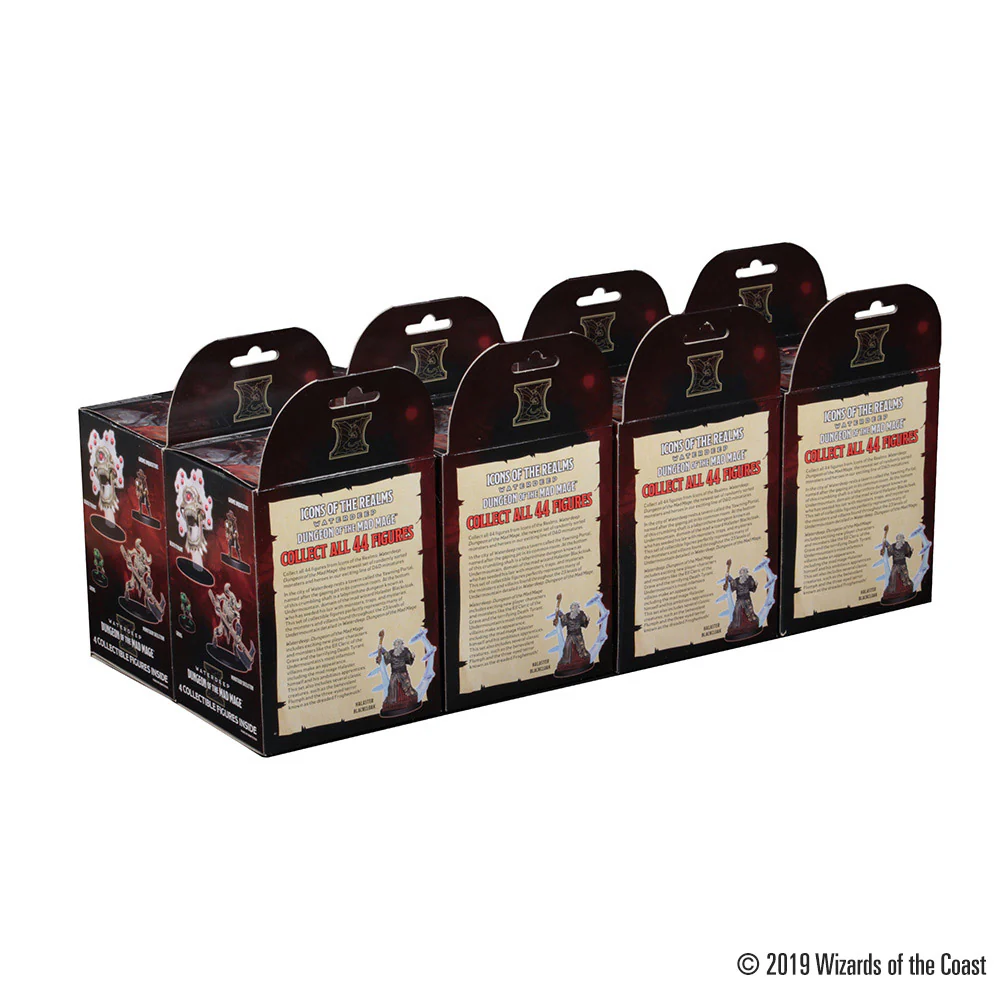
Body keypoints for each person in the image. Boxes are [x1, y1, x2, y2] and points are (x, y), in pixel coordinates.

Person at [377, 632, 419, 715]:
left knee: (407, 687)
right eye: (395, 645)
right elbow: (387, 656)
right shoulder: (391, 653)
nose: (396, 646)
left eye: (398, 645)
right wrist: (381, 649)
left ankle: (408, 699)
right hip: (394, 673)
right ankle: (392, 702)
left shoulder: (405, 651)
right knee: (392, 686)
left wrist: (412, 657)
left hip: (403, 673)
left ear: (401, 645)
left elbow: (409, 660)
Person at [554, 595, 591, 675]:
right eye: (572, 607)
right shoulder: (568, 615)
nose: (572, 609)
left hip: (578, 635)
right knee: (567, 648)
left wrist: (587, 620)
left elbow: (584, 624)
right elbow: (563, 619)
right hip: (570, 635)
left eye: (574, 607)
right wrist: (558, 612)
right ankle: (566, 661)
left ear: (577, 608)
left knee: (581, 650)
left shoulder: (581, 614)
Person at [723, 563, 759, 640]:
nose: (741, 574)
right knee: (736, 612)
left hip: (746, 599)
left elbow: (752, 589)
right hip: (739, 599)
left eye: (743, 572)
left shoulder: (749, 579)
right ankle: (736, 626)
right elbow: (732, 584)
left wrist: (755, 585)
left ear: (746, 573)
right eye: (740, 572)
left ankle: (752, 623)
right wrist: (728, 577)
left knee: (749, 613)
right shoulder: (737, 580)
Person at [880, 529, 914, 604]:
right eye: (898, 539)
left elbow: (908, 554)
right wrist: (884, 546)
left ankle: (906, 588)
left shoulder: (905, 545)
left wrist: (911, 551)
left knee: (905, 578)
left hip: (903, 565)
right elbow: (888, 552)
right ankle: (891, 590)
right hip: (895, 565)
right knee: (892, 577)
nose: (899, 540)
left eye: (901, 539)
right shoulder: (893, 546)